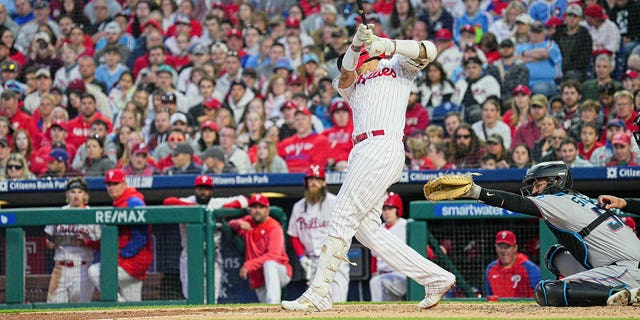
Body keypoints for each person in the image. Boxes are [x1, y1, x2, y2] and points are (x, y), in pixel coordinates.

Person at [282, 24, 455, 312]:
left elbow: (430, 50)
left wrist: (388, 45)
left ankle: (320, 292)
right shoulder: (350, 84)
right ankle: (436, 277)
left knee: (341, 215)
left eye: (357, 56)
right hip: (361, 150)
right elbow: (346, 72)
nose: (350, 66)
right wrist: (354, 46)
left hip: (382, 146)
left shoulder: (396, 66)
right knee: (366, 230)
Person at [442, 161, 640, 306]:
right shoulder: (577, 198)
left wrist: (477, 192)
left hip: (627, 269)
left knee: (547, 291)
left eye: (538, 184)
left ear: (556, 181)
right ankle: (617, 289)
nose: (534, 189)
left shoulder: (557, 200)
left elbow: (517, 203)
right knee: (556, 255)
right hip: (622, 262)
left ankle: (621, 293)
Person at [162, 175, 248, 301]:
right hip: (190, 255)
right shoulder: (189, 201)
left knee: (212, 295)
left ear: (211, 190)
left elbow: (243, 200)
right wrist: (197, 210)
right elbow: (167, 201)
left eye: (206, 188)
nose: (203, 192)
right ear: (195, 189)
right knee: (190, 296)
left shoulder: (216, 203)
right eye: (200, 188)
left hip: (212, 255)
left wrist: (219, 210)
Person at [88, 169, 153, 302]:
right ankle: (125, 309)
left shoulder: (133, 201)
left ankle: (120, 307)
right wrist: (88, 242)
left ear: (124, 184)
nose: (111, 188)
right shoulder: (119, 202)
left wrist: (121, 255)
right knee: (135, 309)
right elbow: (114, 239)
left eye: (115, 184)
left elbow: (141, 236)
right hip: (129, 262)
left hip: (133, 261)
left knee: (95, 271)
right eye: (109, 184)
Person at [287, 165, 349, 303]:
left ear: (323, 183)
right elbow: (293, 235)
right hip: (313, 261)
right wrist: (301, 257)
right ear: (306, 183)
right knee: (315, 304)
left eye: (317, 179)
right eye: (310, 180)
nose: (313, 183)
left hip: (335, 259)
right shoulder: (298, 206)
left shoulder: (335, 202)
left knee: (338, 302)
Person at [229, 193, 292, 304]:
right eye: (254, 207)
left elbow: (274, 255)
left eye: (261, 207)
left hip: (281, 271)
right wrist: (239, 223)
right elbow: (230, 224)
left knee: (269, 264)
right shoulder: (248, 222)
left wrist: (249, 265)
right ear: (250, 210)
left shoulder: (274, 226)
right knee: (264, 309)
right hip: (258, 276)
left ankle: (274, 304)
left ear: (267, 210)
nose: (257, 210)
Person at [45, 177, 101, 303]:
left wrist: (86, 242)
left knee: (80, 311)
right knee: (53, 311)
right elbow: (47, 237)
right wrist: (51, 243)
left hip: (83, 268)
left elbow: (101, 243)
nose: (76, 195)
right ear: (67, 194)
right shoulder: (59, 213)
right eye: (73, 192)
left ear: (85, 195)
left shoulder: (92, 213)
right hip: (60, 267)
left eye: (79, 192)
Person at [369, 192, 409, 302]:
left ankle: (375, 314)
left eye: (390, 208)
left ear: (397, 209)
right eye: (384, 209)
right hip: (384, 277)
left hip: (403, 275)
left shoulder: (406, 225)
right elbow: (374, 257)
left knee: (376, 282)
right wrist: (374, 273)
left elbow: (422, 248)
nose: (387, 212)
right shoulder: (377, 229)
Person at [484, 230, 541, 298]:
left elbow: (538, 297)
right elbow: (490, 297)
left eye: (507, 247)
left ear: (515, 248)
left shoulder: (530, 268)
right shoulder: (491, 268)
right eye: (500, 246)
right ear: (496, 247)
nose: (503, 251)